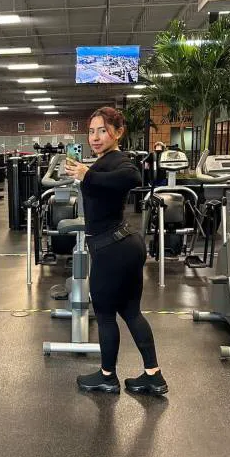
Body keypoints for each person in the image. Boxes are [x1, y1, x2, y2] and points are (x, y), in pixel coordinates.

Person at [64, 107, 167, 396]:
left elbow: (133, 177)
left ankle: (107, 377)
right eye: (91, 131)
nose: (95, 137)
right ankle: (153, 376)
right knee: (131, 311)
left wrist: (88, 175)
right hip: (124, 245)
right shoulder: (104, 161)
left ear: (118, 132)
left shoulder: (118, 160)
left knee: (106, 314)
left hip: (112, 250)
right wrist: (83, 174)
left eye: (102, 130)